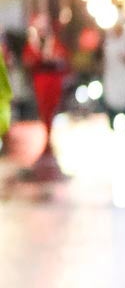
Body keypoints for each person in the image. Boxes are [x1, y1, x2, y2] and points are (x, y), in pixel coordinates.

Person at [21, 15, 69, 171]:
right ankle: (46, 138)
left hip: (53, 81)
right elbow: (28, 61)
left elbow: (64, 60)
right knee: (44, 110)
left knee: (52, 109)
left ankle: (49, 138)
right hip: (40, 81)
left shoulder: (55, 43)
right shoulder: (32, 44)